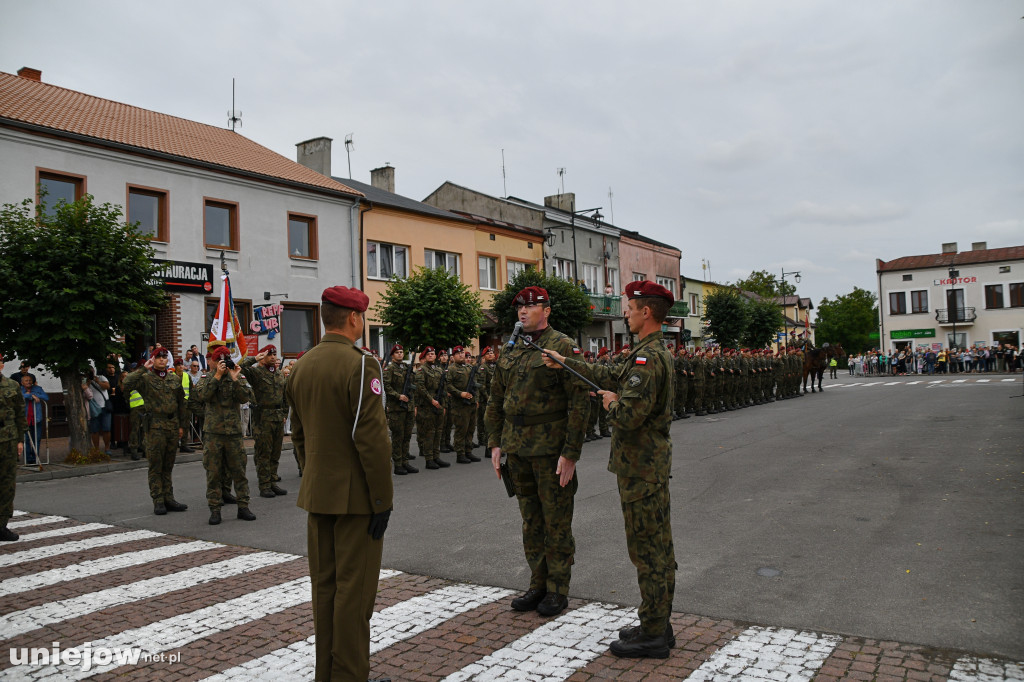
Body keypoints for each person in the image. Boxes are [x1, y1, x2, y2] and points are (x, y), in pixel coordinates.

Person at [542, 280, 678, 659]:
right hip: (647, 465)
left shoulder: (647, 359)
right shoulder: (646, 352)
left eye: (630, 309)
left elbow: (630, 415)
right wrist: (566, 361)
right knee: (657, 547)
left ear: (646, 312)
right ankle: (657, 621)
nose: (627, 314)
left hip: (641, 467)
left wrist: (611, 403)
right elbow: (609, 374)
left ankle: (653, 634)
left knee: (648, 551)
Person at [285, 285, 393, 682]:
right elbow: (371, 439)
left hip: (318, 492)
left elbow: (298, 434)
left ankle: (326, 674)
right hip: (356, 499)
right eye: (362, 317)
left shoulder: (302, 365)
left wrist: (315, 474)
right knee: (355, 594)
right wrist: (382, 499)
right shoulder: (361, 364)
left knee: (325, 589)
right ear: (353, 318)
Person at [485, 286, 588, 618]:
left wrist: (571, 452)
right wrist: (496, 443)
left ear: (547, 310)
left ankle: (558, 589)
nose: (523, 312)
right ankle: (537, 583)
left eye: (531, 307)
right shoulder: (511, 349)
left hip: (550, 449)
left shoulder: (562, 346)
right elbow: (495, 400)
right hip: (517, 448)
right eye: (520, 308)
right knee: (531, 521)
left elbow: (579, 401)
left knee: (556, 520)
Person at [123, 348, 187, 515]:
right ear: (153, 359)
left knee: (168, 464)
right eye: (158, 357)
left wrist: (181, 426)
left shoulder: (174, 378)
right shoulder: (145, 378)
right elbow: (127, 383)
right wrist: (144, 367)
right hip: (155, 425)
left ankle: (169, 498)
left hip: (172, 425)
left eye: (164, 357)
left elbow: (181, 403)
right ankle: (158, 500)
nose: (161, 360)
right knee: (156, 464)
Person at [241, 344, 289, 498]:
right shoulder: (256, 372)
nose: (273, 357)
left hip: (277, 415)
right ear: (263, 356)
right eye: (269, 354)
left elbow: (284, 396)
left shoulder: (279, 374)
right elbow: (240, 367)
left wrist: (285, 413)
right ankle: (264, 485)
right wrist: (254, 358)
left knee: (276, 452)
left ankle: (273, 481)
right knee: (264, 453)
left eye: (274, 354)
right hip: (263, 417)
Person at [0, 355, 28, 541]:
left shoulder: (12, 385)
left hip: (8, 441)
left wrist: (20, 439)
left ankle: (1, 525)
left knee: (7, 484)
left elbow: (19, 412)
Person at [383, 344, 418, 475]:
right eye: (397, 352)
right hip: (396, 408)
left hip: (407, 407)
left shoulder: (406, 368)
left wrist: (413, 405)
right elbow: (386, 386)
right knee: (398, 436)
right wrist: (399, 396)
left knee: (407, 436)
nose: (400, 354)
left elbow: (412, 387)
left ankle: (405, 461)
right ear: (392, 355)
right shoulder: (389, 369)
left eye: (401, 352)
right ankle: (398, 464)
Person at [415, 347, 449, 470]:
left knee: (438, 432)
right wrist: (431, 400)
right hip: (427, 406)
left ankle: (436, 456)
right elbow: (420, 388)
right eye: (428, 354)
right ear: (424, 357)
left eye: (433, 354)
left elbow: (444, 389)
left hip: (439, 404)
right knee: (429, 433)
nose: (431, 356)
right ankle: (429, 459)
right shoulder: (421, 370)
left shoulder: (439, 370)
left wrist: (443, 405)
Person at [446, 345, 481, 464]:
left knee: (471, 429)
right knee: (461, 430)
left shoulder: (469, 368)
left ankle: (468, 451)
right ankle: (460, 454)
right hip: (459, 405)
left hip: (470, 403)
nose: (461, 355)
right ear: (453, 356)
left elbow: (474, 385)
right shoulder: (451, 369)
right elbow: (449, 385)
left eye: (462, 353)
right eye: (458, 353)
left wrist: (475, 399)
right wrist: (461, 394)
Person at [20, 375, 48, 465]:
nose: (28, 382)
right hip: (25, 419)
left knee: (37, 439)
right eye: (26, 380)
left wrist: (34, 394)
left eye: (30, 380)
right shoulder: (19, 389)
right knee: (26, 440)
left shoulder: (37, 388)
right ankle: (28, 459)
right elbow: (19, 397)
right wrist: (31, 397)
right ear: (22, 382)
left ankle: (36, 458)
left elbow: (46, 397)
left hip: (37, 418)